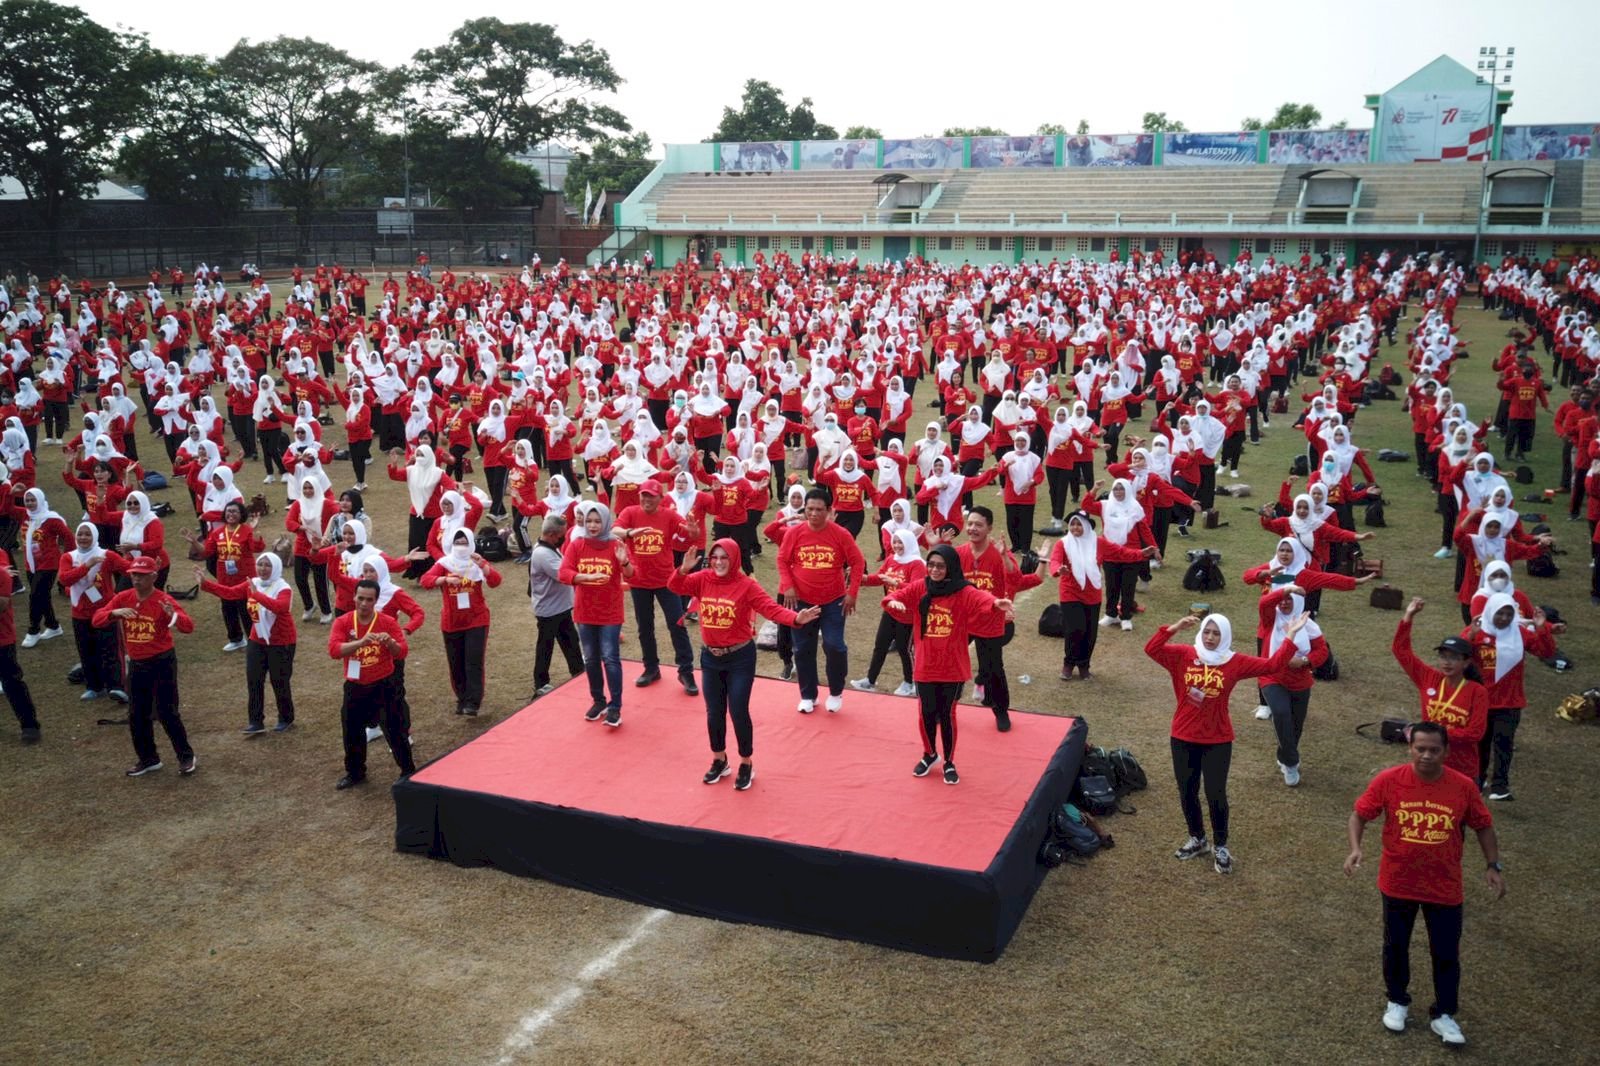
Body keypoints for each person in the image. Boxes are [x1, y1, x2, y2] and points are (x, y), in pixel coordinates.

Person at [1345, 721, 1505, 1047]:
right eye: (1421, 749)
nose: (1427, 756)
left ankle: (1444, 1014)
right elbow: (1359, 815)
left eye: (1434, 750)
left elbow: (1483, 826)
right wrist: (1356, 848)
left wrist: (1492, 865)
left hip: (1444, 888)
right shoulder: (1389, 781)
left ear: (1446, 752)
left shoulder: (1462, 787)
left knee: (1445, 952)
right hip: (1397, 883)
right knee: (1395, 945)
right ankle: (1397, 1000)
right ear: (1410, 749)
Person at [1144, 611, 1303, 874]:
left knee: (1215, 793)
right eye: (1207, 631)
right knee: (1187, 791)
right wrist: (1174, 627)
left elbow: (1273, 665)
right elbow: (1151, 648)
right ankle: (1198, 839)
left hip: (1217, 739)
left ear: (1225, 636)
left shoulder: (1234, 662)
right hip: (1182, 737)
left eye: (1216, 633)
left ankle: (1221, 846)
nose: (1209, 637)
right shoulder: (1184, 655)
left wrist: (1291, 635)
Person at [669, 539, 819, 791]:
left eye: (724, 557)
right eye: (714, 557)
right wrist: (683, 569)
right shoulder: (703, 579)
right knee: (713, 712)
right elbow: (674, 586)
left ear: (734, 559)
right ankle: (719, 760)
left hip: (740, 658)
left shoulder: (746, 585)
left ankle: (746, 762)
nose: (718, 562)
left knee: (737, 709)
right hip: (710, 657)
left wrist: (796, 618)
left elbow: (770, 609)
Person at [882, 545, 1015, 785]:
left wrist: (997, 604)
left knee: (947, 714)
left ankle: (949, 762)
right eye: (931, 564)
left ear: (951, 567)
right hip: (925, 664)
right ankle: (929, 754)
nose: (934, 569)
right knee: (925, 713)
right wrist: (892, 601)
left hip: (952, 666)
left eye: (940, 566)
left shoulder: (963, 591)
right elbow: (896, 595)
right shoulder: (921, 587)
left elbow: (982, 598)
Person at [92, 555, 197, 777]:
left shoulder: (163, 600)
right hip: (138, 664)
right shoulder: (123, 597)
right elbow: (97, 619)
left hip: (162, 662)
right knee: (137, 714)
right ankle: (148, 758)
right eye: (133, 575)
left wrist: (174, 616)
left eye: (141, 575)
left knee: (167, 712)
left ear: (153, 576)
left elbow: (188, 627)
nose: (136, 579)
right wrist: (114, 613)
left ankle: (186, 756)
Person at [776, 487, 866, 714]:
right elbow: (782, 560)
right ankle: (808, 695)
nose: (813, 514)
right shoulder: (794, 534)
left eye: (818, 510)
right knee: (803, 648)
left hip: (833, 602)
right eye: (809, 510)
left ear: (829, 511)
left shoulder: (840, 534)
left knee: (834, 645)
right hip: (802, 602)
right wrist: (788, 586)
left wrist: (852, 592)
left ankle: (836, 691)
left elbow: (857, 563)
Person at [1460, 591, 1556, 802]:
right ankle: (1477, 780)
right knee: (1480, 743)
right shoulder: (1476, 630)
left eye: (1508, 613)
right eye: (1499, 613)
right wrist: (1470, 637)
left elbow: (1546, 652)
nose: (1503, 618)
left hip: (1509, 702)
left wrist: (1541, 628)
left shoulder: (1519, 633)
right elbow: (1457, 657)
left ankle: (1500, 786)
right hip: (1480, 701)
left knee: (1504, 744)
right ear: (1490, 611)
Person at [197, 552, 297, 734]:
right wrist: (205, 584)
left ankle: (286, 717)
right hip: (257, 639)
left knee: (279, 681)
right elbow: (230, 593)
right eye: (260, 564)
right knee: (254, 679)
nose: (263, 569)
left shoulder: (283, 588)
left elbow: (280, 608)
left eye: (267, 565)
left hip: (281, 641)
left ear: (275, 568)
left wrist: (256, 595)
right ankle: (256, 721)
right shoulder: (253, 583)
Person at [328, 578, 414, 789]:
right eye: (360, 598)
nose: (364, 603)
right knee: (351, 731)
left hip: (384, 685)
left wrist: (390, 643)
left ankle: (408, 770)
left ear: (376, 601)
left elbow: (401, 652)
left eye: (369, 599)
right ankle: (355, 773)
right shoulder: (344, 622)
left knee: (395, 730)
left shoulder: (387, 622)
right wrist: (360, 643)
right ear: (354, 598)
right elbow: (334, 651)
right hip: (355, 686)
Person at [613, 480, 697, 694]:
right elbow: (614, 531)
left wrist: (693, 529)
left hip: (666, 581)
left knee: (676, 624)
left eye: (651, 496)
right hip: (639, 581)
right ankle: (651, 668)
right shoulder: (630, 512)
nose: (646, 499)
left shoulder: (668, 516)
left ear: (660, 498)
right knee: (645, 627)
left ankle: (685, 671)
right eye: (644, 495)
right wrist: (631, 533)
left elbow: (689, 533)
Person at [1047, 510, 1152, 680]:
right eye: (1072, 524)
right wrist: (1059, 570)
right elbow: (1055, 561)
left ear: (1087, 526)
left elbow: (1121, 552)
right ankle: (1068, 664)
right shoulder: (1063, 544)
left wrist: (1141, 554)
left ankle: (1084, 666)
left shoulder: (1099, 543)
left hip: (1092, 594)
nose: (1075, 527)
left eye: (1079, 524)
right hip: (1070, 592)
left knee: (1090, 633)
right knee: (1075, 629)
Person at [1391, 598, 1489, 781]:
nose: (1447, 662)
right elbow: (1401, 651)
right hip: (1427, 764)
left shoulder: (1477, 692)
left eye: (1454, 658)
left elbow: (1475, 734)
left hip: (1462, 768)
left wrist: (1433, 734)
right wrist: (1408, 616)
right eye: (1443, 656)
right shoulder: (1430, 678)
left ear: (1466, 662)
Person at [558, 502, 632, 726]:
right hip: (585, 611)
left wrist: (624, 561)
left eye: (597, 521)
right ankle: (598, 700)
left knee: (610, 658)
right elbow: (564, 572)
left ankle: (615, 706)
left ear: (606, 522)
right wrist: (585, 578)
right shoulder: (577, 544)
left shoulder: (615, 545)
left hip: (610, 612)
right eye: (589, 521)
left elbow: (632, 574)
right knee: (590, 659)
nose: (592, 525)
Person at [419, 527, 503, 717]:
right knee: (456, 662)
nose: (461, 547)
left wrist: (484, 566)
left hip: (476, 619)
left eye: (465, 543)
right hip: (452, 621)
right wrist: (444, 580)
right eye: (457, 543)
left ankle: (473, 702)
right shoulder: (444, 563)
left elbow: (496, 581)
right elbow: (426, 580)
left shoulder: (476, 562)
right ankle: (462, 697)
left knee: (473, 661)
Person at [1255, 586, 1329, 787]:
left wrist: (1305, 660)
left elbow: (1322, 652)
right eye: (1282, 599)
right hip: (1272, 677)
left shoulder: (1309, 625)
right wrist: (1285, 589)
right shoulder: (1271, 619)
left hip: (1300, 682)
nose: (1284, 602)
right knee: (1280, 713)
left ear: (1298, 602)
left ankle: (1284, 754)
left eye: (1290, 599)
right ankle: (1291, 762)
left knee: (1295, 726)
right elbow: (1264, 603)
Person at [849, 529, 926, 696]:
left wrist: (896, 583)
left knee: (904, 649)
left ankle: (910, 682)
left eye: (901, 542)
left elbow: (918, 589)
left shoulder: (917, 564)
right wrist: (863, 579)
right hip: (890, 609)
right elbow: (880, 578)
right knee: (880, 645)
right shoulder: (891, 559)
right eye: (895, 542)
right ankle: (870, 680)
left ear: (909, 543)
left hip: (907, 614)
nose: (897, 546)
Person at [57, 521, 127, 701]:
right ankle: (94, 686)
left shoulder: (106, 555)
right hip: (80, 614)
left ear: (94, 536)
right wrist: (86, 566)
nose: (83, 538)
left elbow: (128, 569)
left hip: (105, 612)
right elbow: (64, 579)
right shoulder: (68, 557)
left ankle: (117, 686)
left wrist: (148, 565)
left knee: (110, 649)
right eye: (80, 534)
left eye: (87, 534)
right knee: (86, 651)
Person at [529, 513, 585, 698]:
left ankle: (578, 671)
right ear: (553, 535)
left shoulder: (549, 548)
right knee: (545, 646)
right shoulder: (543, 554)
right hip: (549, 610)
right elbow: (564, 574)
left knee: (570, 640)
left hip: (559, 607)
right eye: (562, 535)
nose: (564, 538)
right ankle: (541, 682)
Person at [0, 557, 41, 743]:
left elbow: (1, 605)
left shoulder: (2, 575)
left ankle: (29, 725)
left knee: (12, 682)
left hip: (2, 638)